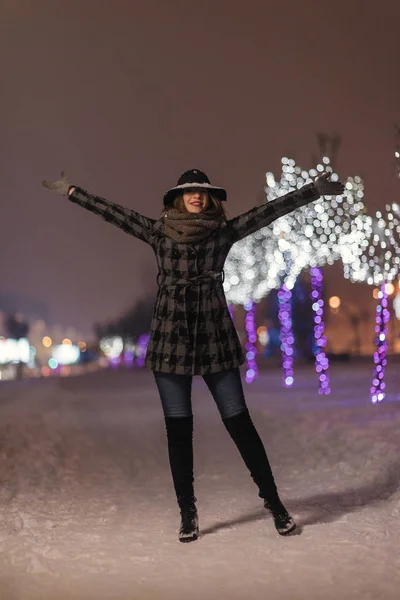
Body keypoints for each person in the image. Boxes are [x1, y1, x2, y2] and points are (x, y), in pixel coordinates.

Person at [42, 168, 345, 542]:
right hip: (171, 337)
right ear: (178, 198)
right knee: (178, 430)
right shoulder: (158, 231)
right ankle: (188, 512)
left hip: (215, 334)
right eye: (190, 192)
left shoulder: (223, 232)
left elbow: (269, 211)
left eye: (202, 192)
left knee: (240, 425)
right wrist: (72, 191)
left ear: (210, 198)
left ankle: (275, 505)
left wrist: (312, 191)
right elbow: (114, 212)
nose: (197, 197)